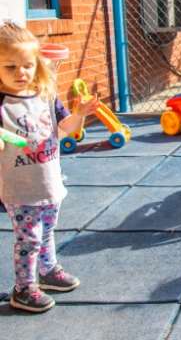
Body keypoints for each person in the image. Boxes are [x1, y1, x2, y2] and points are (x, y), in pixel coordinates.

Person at [0, 22, 99, 313]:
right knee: (28, 238)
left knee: (46, 231)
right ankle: (24, 288)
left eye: (27, 65)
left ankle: (47, 271)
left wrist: (79, 114)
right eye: (10, 67)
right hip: (20, 188)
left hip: (49, 182)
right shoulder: (2, 103)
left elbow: (64, 129)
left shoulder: (45, 96)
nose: (21, 73)